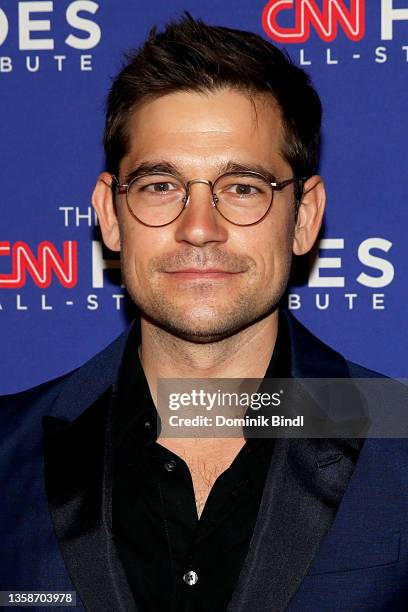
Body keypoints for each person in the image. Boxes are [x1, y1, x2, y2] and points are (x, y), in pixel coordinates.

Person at [1, 13, 407, 612]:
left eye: (243, 187)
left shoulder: (398, 439)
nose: (199, 229)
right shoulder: (9, 450)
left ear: (305, 216)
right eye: (161, 185)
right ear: (110, 216)